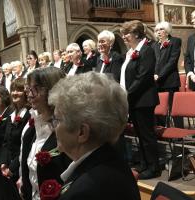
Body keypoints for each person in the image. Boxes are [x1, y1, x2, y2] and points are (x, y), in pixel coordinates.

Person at [48, 72, 140, 200]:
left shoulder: (83, 192)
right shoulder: (112, 160)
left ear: (81, 132)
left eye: (57, 120)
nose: (54, 129)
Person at [20, 67, 71, 200]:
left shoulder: (68, 129)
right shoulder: (33, 126)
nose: (29, 95)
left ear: (52, 89)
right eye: (28, 89)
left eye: (35, 89)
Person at [120, 20, 160, 179]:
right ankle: (145, 163)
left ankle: (154, 167)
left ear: (136, 34)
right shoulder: (131, 51)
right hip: (134, 100)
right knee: (140, 135)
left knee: (147, 135)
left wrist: (126, 93)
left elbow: (142, 76)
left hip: (143, 100)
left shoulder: (146, 50)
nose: (123, 37)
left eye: (126, 34)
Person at [0, 78, 31, 200]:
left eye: (19, 90)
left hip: (21, 167)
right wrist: (3, 163)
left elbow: (25, 146)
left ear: (26, 93)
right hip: (8, 166)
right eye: (12, 90)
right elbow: (6, 142)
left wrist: (12, 168)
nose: (14, 93)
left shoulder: (29, 114)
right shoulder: (12, 114)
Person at [153, 21, 182, 127]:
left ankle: (180, 131)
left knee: (175, 108)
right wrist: (153, 74)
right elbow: (153, 62)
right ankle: (162, 130)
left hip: (170, 80)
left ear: (167, 31)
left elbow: (172, 62)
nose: (158, 32)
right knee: (160, 108)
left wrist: (159, 75)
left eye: (161, 29)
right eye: (156, 30)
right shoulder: (155, 45)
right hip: (157, 82)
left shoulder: (175, 41)